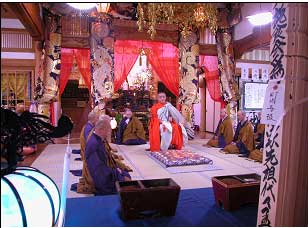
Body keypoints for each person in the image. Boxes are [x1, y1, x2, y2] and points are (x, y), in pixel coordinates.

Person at [85, 118, 131, 195]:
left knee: (125, 174)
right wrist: (119, 176)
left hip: (105, 171)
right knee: (126, 183)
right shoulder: (94, 144)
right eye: (108, 130)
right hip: (101, 179)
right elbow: (99, 171)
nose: (109, 133)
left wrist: (118, 170)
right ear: (101, 129)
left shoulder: (98, 140)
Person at [77, 110, 99, 194]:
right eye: (97, 118)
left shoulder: (88, 126)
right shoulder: (89, 129)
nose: (98, 120)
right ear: (94, 119)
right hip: (88, 154)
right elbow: (91, 144)